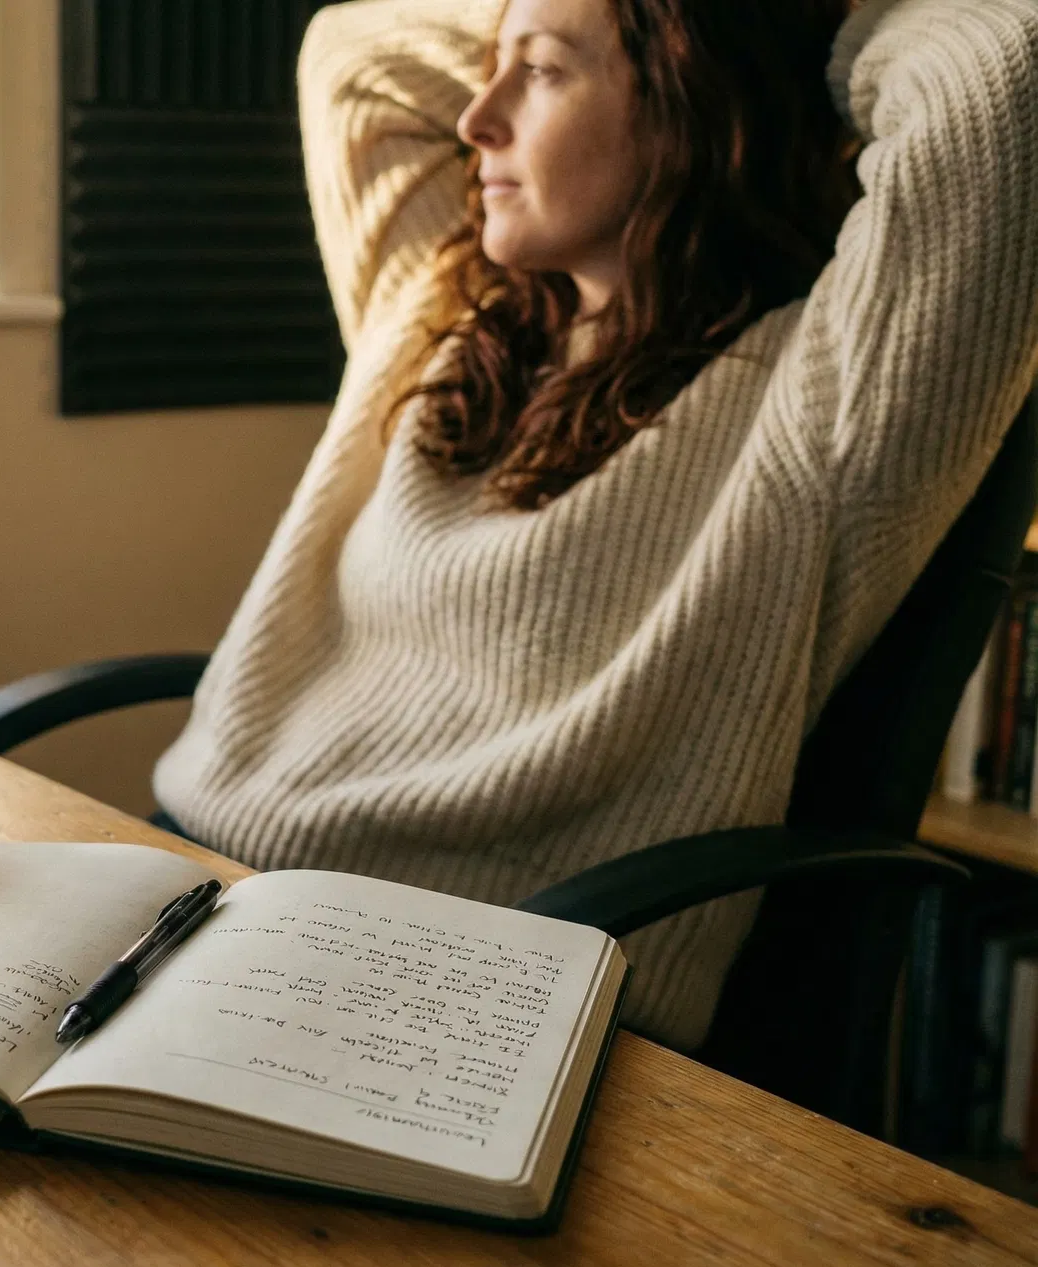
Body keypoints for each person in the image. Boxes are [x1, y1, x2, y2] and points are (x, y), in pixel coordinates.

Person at [152, 0, 1038, 1050]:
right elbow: (354, 53)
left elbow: (1011, 74)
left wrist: (796, 44)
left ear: (689, 111)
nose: (476, 117)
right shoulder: (440, 307)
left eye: (539, 75)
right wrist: (555, 25)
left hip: (465, 991)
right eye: (490, 67)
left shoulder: (819, 403)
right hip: (191, 891)